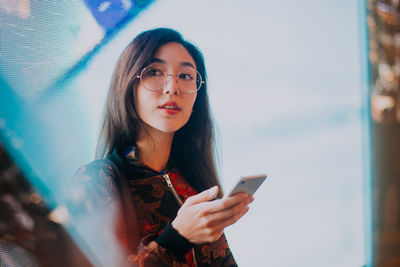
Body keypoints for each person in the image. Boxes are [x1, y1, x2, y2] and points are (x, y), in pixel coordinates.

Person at [71, 28, 254, 267]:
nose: (172, 87)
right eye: (155, 72)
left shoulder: (193, 183)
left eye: (186, 76)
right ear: (128, 84)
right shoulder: (96, 181)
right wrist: (177, 238)